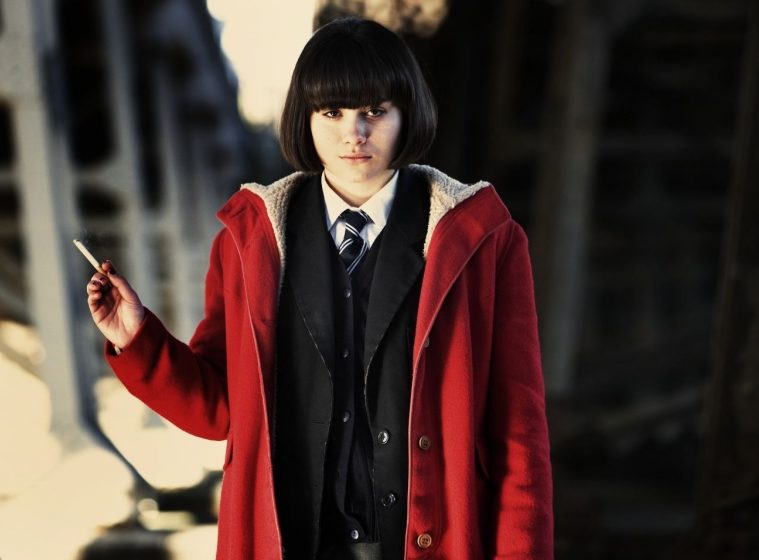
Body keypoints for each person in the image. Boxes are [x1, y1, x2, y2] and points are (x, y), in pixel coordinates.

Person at [86, 16, 553, 560]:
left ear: (407, 114)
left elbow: (518, 434)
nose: (354, 133)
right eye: (332, 112)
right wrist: (138, 339)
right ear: (304, 118)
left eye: (375, 111)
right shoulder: (248, 242)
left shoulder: (483, 240)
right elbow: (221, 411)